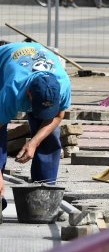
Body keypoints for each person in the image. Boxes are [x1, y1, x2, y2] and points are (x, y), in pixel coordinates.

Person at [0, 42, 72, 212]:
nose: (41, 114)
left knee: (49, 135)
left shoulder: (63, 85)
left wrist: (34, 142)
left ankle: (44, 196)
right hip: (3, 64)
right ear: (29, 94)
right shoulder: (12, 90)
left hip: (32, 66)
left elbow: (58, 116)